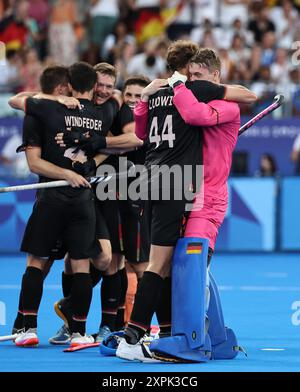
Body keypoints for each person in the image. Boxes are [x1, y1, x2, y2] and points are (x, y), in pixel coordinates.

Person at [115, 41, 256, 362]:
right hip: (180, 189)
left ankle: (191, 336)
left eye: (199, 76)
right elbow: (152, 128)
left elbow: (198, 113)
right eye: (189, 74)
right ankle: (198, 336)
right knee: (176, 267)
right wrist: (159, 94)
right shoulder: (186, 95)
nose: (193, 80)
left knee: (189, 268)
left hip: (208, 198)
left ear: (215, 76)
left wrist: (167, 88)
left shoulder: (220, 104)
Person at [9, 62, 142, 347]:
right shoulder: (103, 111)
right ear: (91, 85)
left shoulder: (47, 109)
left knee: (37, 262)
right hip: (83, 199)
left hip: (55, 197)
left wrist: (72, 170)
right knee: (80, 264)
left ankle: (28, 328)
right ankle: (79, 332)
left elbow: (16, 102)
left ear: (69, 85)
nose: (105, 91)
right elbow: (117, 118)